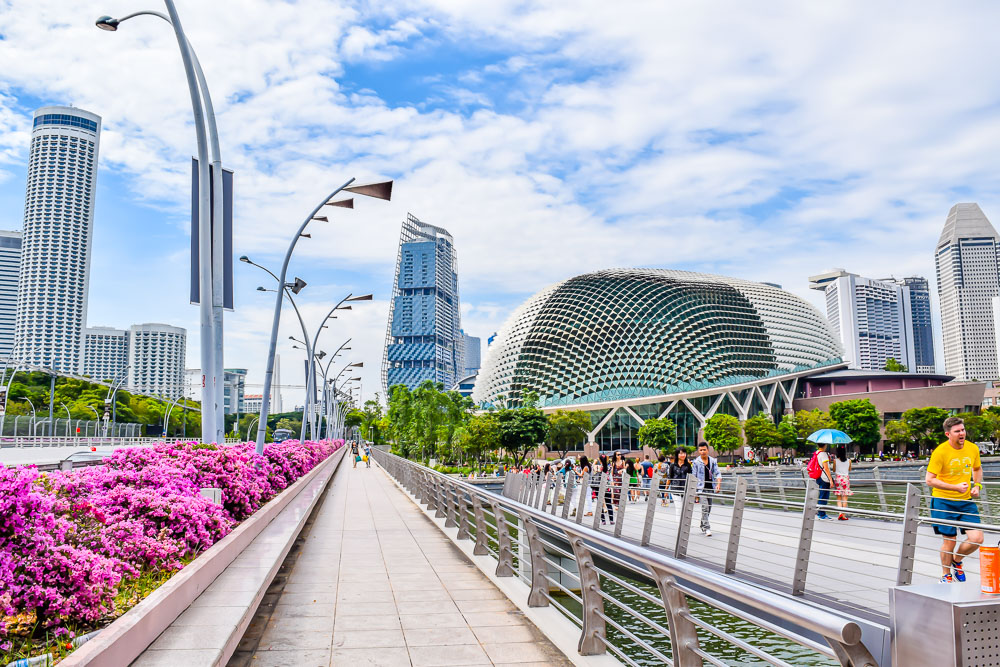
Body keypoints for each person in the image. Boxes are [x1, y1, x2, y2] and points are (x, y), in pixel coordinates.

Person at [926, 417, 984, 584]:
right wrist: (955, 487)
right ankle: (946, 576)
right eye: (957, 431)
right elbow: (929, 480)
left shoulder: (972, 448)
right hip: (943, 500)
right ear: (948, 434)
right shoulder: (940, 452)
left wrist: (977, 486)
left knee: (977, 538)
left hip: (966, 502)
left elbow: (977, 468)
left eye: (963, 430)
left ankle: (956, 561)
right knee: (949, 541)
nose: (962, 434)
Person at [691, 443, 721, 536]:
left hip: (710, 487)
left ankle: (703, 524)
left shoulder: (712, 461)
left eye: (704, 450)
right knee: (705, 507)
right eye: (701, 450)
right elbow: (694, 476)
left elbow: (718, 473)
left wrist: (718, 484)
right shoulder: (696, 462)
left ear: (708, 450)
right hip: (701, 488)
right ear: (698, 451)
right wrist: (695, 491)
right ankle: (707, 528)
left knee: (709, 508)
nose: (703, 452)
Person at [813, 442, 834, 520]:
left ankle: (819, 512)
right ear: (825, 445)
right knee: (824, 496)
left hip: (819, 477)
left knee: (821, 495)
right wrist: (831, 480)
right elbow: (826, 468)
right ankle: (822, 514)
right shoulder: (823, 454)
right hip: (824, 478)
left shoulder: (817, 453)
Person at [669, 448, 692, 516]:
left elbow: (690, 477)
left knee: (685, 509)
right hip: (675, 489)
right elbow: (670, 477)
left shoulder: (688, 465)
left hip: (685, 490)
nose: (683, 455)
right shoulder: (673, 465)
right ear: (677, 454)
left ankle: (684, 525)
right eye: (681, 453)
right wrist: (666, 490)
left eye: (684, 453)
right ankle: (679, 526)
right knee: (679, 509)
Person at [833, 445, 852, 520]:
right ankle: (843, 515)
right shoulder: (849, 461)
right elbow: (849, 470)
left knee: (839, 498)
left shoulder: (835, 460)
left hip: (838, 479)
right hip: (845, 479)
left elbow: (834, 470)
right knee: (845, 498)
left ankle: (840, 513)